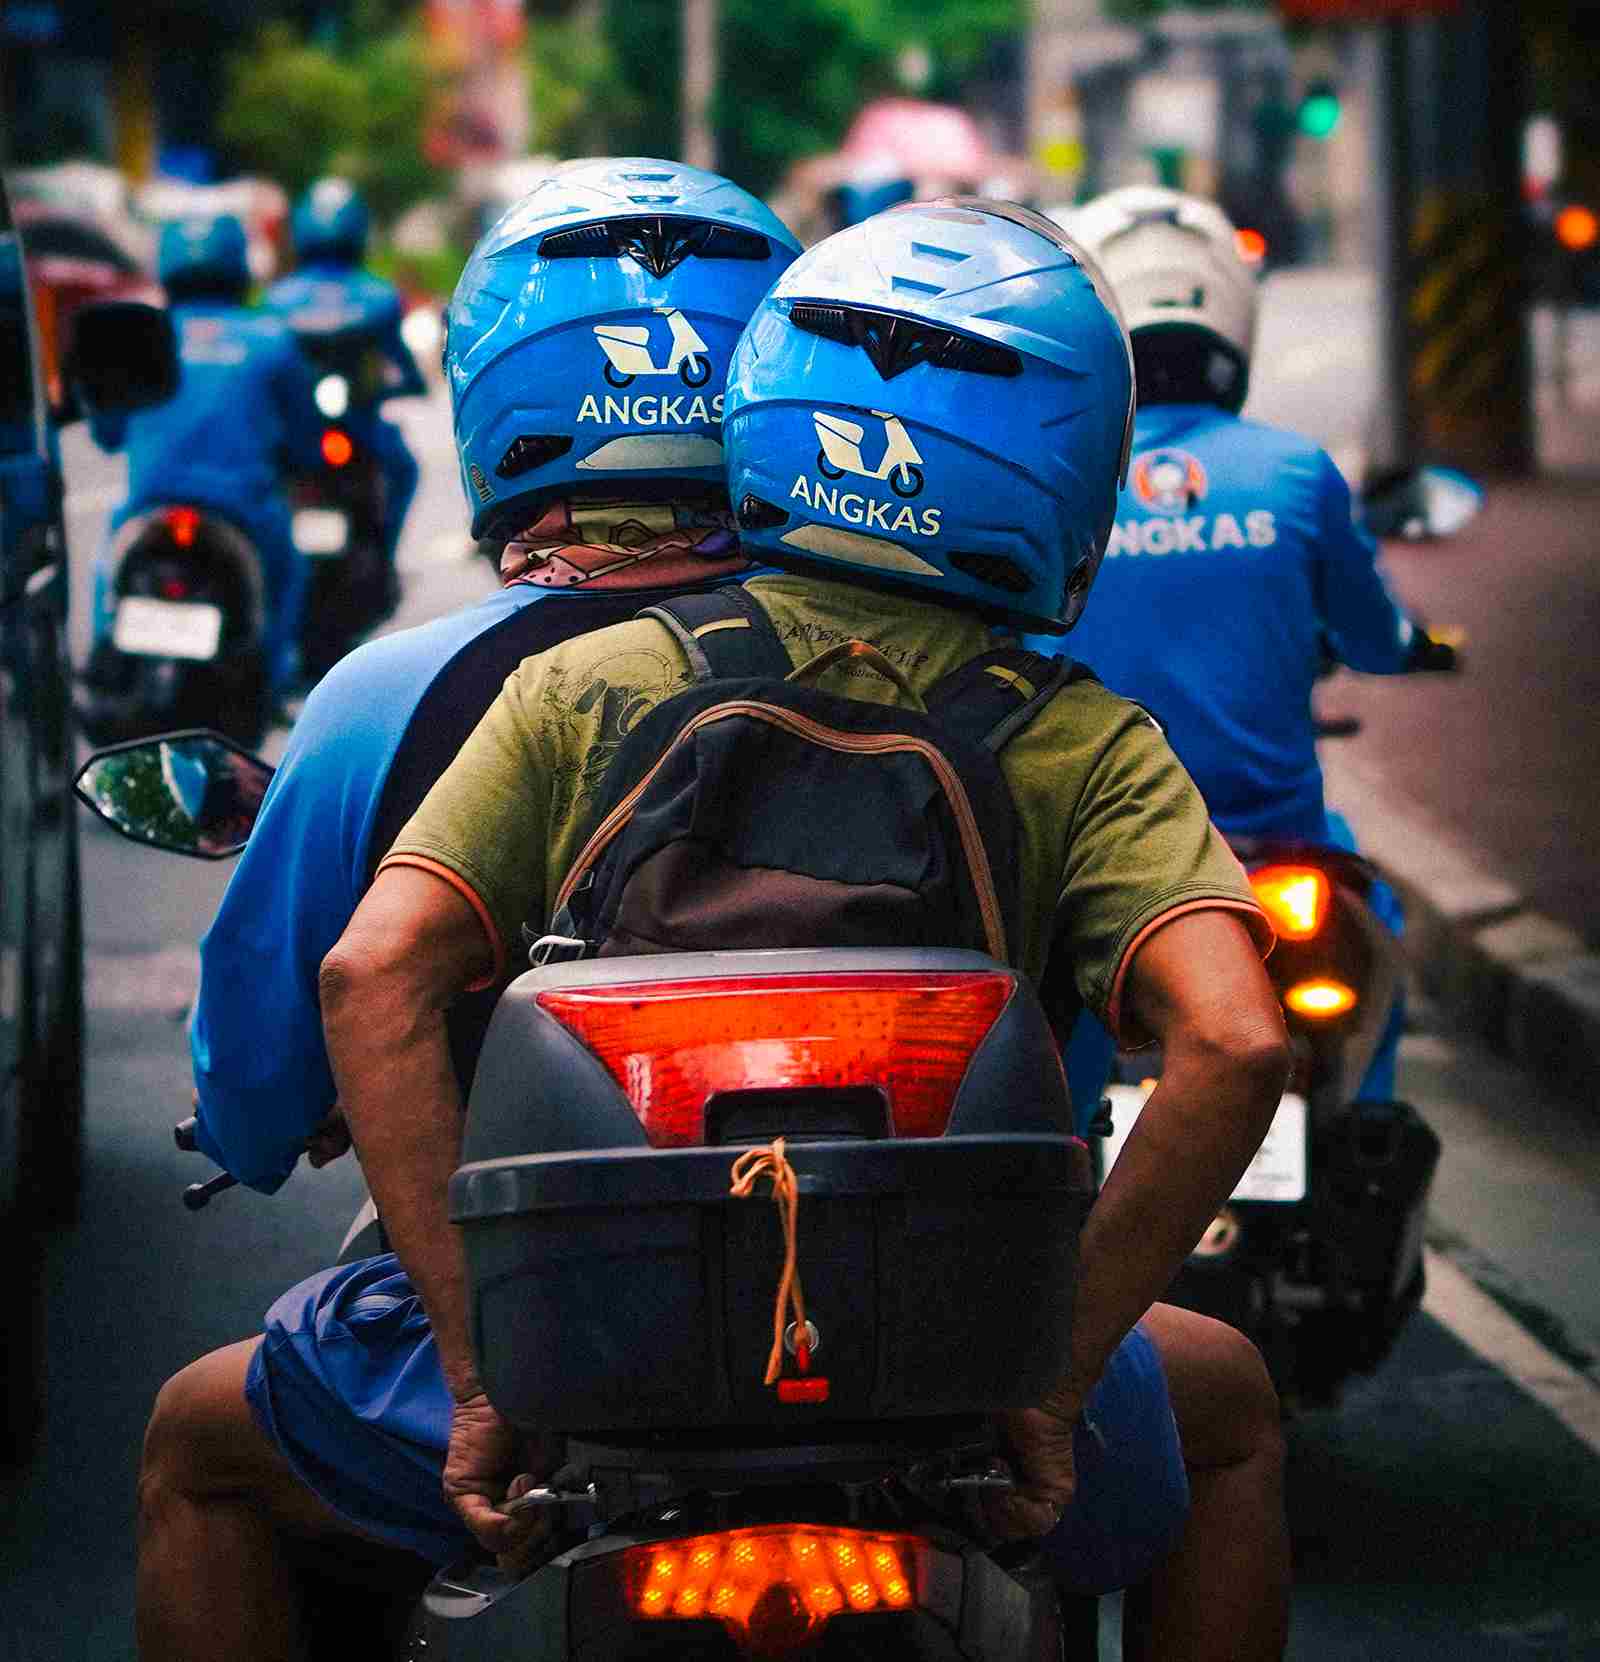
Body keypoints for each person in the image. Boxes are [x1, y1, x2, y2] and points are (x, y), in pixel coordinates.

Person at [138, 202, 1292, 1662]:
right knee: (1237, 1411)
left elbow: (369, 974)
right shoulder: (1084, 740)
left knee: (193, 1444)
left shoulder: (588, 687)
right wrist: (1049, 1385)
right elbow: (1237, 1039)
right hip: (947, 1363)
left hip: (589, 1361)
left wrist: (488, 1382)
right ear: (1069, 477)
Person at [185, 158, 802, 1196]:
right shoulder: (925, 666)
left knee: (192, 1376)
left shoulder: (381, 700)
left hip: (521, 1324)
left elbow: (251, 1091)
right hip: (892, 1302)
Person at [1036, 185, 1456, 1112]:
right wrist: (1420, 648)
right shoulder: (1297, 471)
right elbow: (1374, 640)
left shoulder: (1060, 480)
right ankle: (1364, 1132)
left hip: (1097, 855)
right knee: (1372, 939)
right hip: (1275, 848)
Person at [86, 214, 323, 699]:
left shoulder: (137, 334)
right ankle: (275, 681)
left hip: (149, 505)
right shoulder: (272, 338)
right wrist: (302, 466)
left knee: (107, 562)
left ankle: (100, 659)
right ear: (238, 265)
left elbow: (108, 435)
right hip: (243, 512)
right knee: (292, 568)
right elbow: (305, 439)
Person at [264, 179, 425, 580]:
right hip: (360, 427)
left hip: (295, 430)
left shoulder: (277, 298)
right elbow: (401, 364)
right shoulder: (379, 296)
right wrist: (410, 385)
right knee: (404, 470)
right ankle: (385, 560)